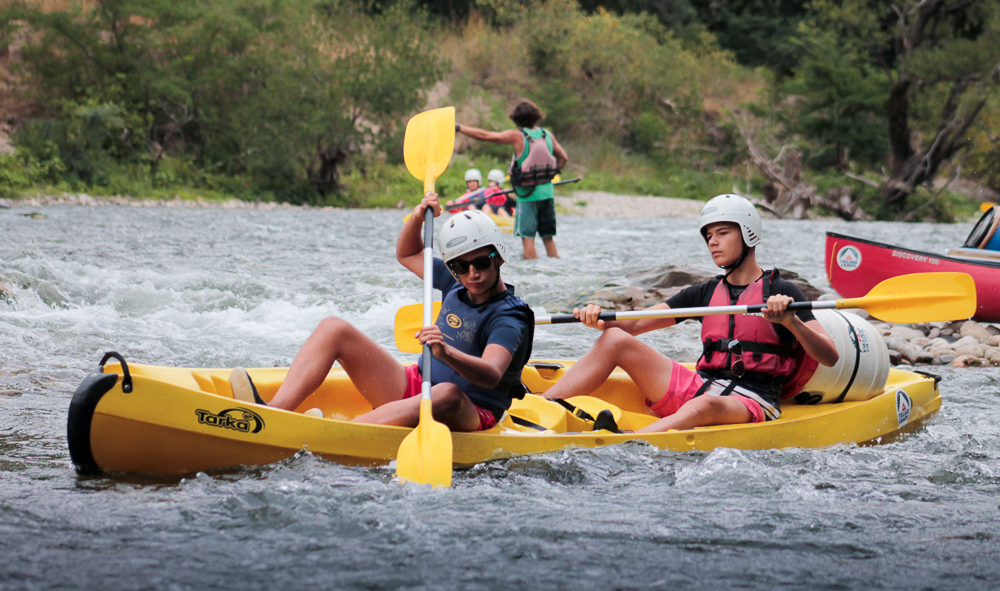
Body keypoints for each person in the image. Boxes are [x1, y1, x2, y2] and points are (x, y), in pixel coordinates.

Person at [230, 194, 534, 432]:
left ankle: (340, 433)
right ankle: (274, 412)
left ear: (499, 256)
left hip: (469, 410)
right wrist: (417, 217)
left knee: (447, 393)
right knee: (334, 328)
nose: (472, 274)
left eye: (481, 262)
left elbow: (492, 375)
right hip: (417, 385)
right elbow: (407, 253)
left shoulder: (509, 317)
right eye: (459, 266)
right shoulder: (451, 281)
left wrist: (445, 352)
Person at [543, 194, 839, 433]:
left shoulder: (782, 290)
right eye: (709, 235)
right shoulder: (704, 293)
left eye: (723, 233)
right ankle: (542, 408)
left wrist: (791, 321)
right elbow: (632, 325)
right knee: (615, 338)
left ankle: (628, 445)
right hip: (700, 385)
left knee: (702, 407)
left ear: (748, 235)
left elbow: (829, 355)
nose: (713, 241)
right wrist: (597, 317)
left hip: (753, 400)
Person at [456, 100, 569, 259]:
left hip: (527, 196)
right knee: (548, 238)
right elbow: (563, 158)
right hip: (547, 194)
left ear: (516, 119)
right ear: (537, 116)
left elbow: (485, 136)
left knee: (528, 239)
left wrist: (458, 127)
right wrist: (550, 175)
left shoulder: (518, 136)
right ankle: (556, 270)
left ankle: (533, 274)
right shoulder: (547, 135)